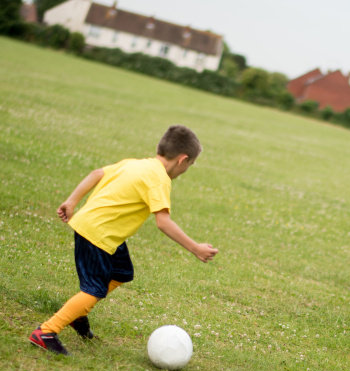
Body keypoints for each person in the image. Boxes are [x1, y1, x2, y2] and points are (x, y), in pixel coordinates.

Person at [29, 125, 218, 355]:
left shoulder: (135, 163)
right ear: (182, 159)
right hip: (98, 234)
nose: (187, 169)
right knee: (94, 290)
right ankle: (47, 331)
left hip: (103, 231)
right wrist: (195, 248)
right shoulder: (159, 179)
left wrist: (71, 202)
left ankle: (78, 314)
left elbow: (97, 173)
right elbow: (163, 222)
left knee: (121, 272)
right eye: (190, 164)